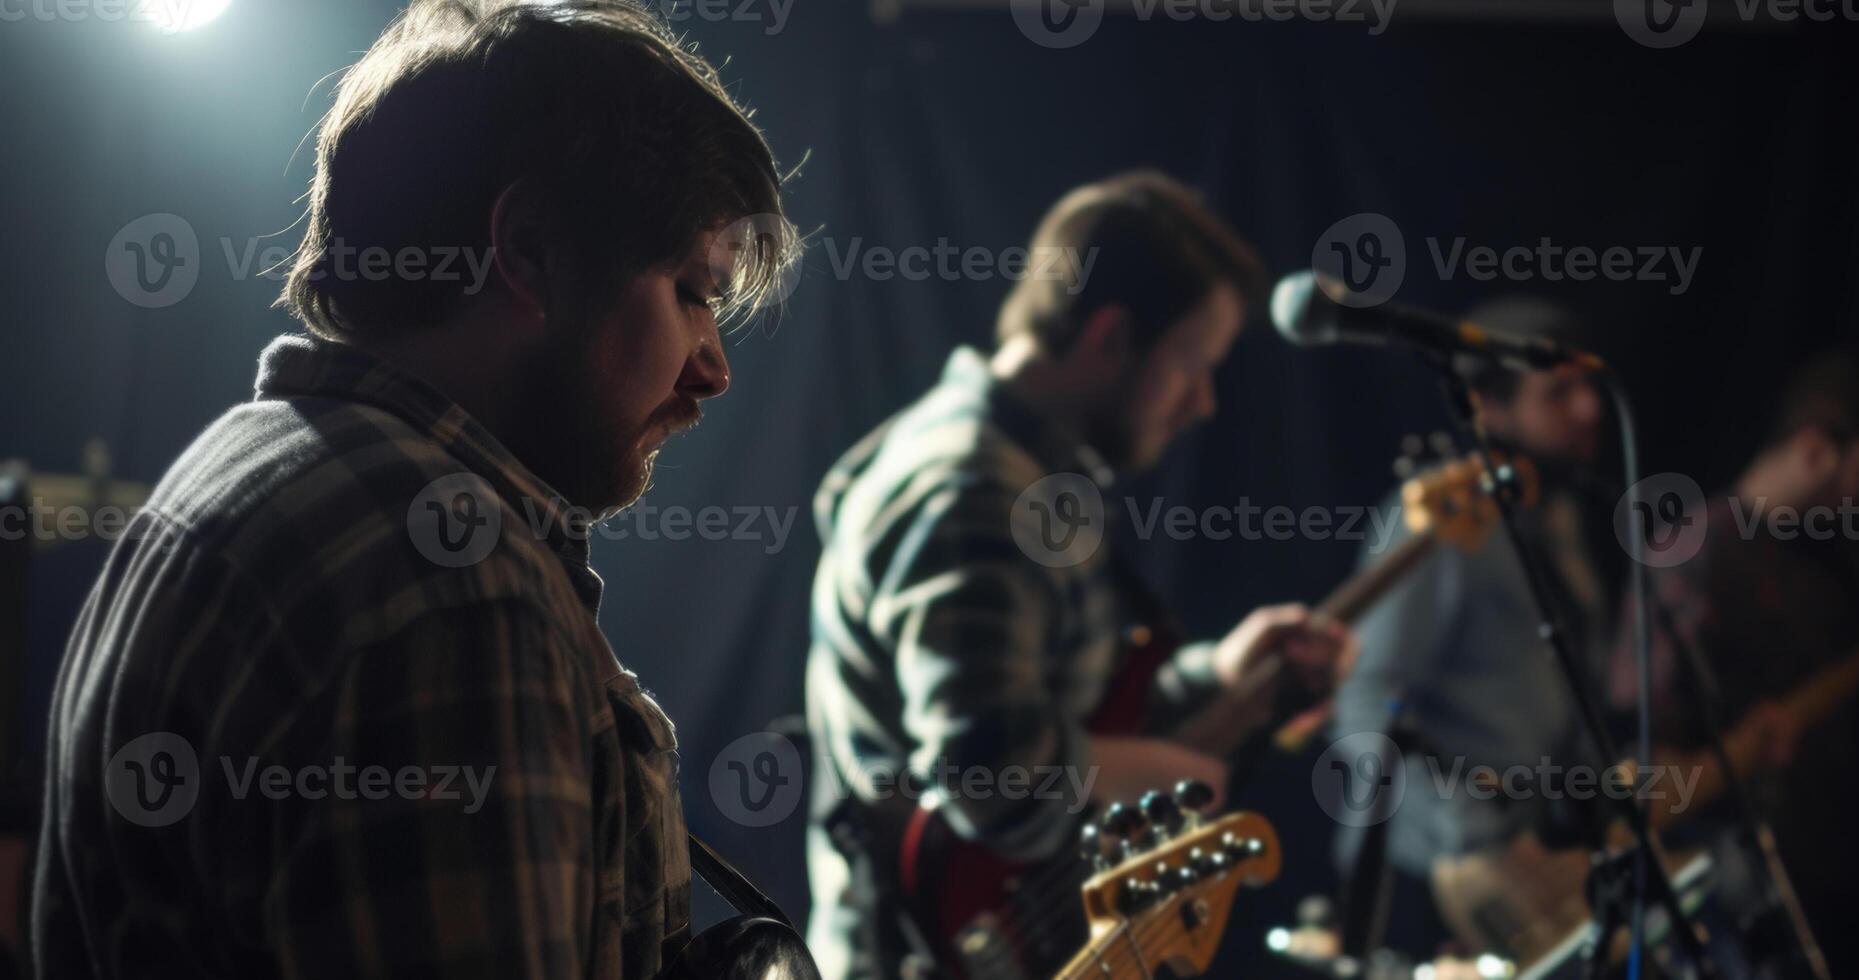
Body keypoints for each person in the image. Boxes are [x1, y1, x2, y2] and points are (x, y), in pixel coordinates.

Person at [33, 3, 799, 978]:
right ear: (529, 250)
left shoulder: (248, 462)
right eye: (693, 289)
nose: (714, 367)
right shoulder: (447, 587)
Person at [803, 171, 1356, 979]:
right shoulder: (975, 493)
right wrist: (1171, 775)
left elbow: (1068, 712)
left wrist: (1219, 673)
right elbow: (994, 779)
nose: (1202, 403)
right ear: (1109, 337)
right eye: (1190, 364)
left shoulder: (1030, 472)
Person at [1611, 351, 1859, 976]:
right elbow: (1643, 739)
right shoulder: (1697, 551)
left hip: (1843, 875)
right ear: (1816, 449)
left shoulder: (1841, 560)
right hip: (1737, 893)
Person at [1327, 296, 1628, 958]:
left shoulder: (1563, 518)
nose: (1589, 409)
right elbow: (1363, 701)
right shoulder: (1440, 518)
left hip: (1535, 857)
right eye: (1559, 393)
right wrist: (1468, 831)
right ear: (1489, 409)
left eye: (1588, 387)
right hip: (1427, 879)